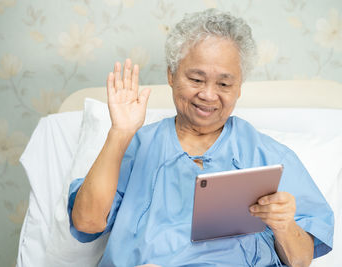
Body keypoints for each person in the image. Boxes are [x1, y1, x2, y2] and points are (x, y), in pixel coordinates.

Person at [67, 9, 333, 266]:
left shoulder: (268, 156)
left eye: (224, 84)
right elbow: (87, 222)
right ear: (171, 75)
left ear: (239, 88)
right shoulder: (137, 147)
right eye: (196, 79)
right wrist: (120, 133)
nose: (208, 94)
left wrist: (284, 224)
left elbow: (300, 261)